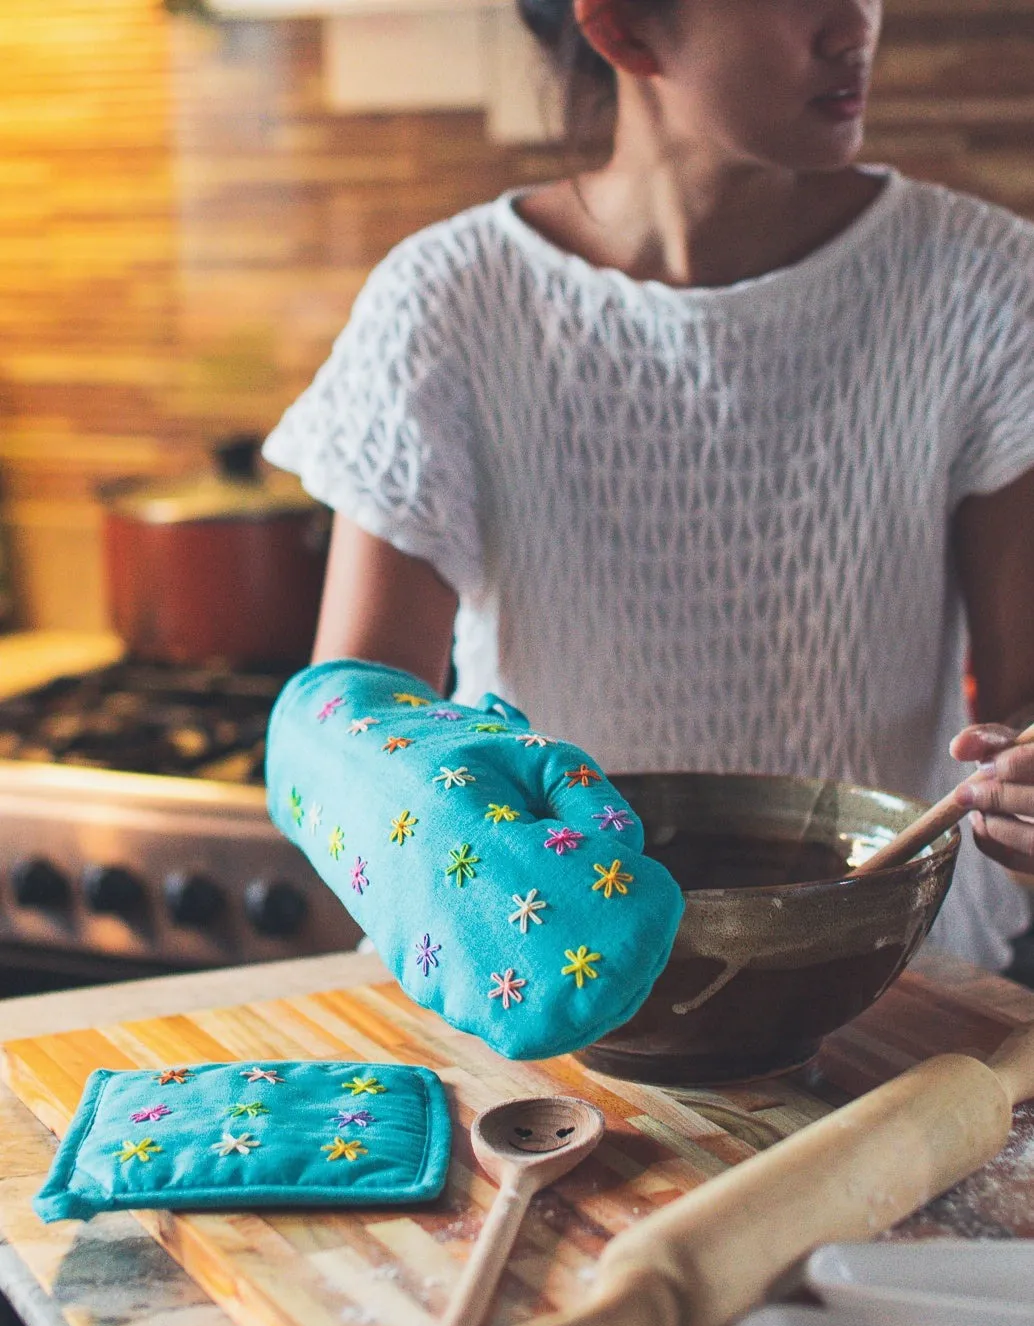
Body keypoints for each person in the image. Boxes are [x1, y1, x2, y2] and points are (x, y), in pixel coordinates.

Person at [263, 0, 1034, 973]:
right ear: (623, 30)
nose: (854, 28)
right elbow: (356, 735)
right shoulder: (452, 305)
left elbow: (1016, 708)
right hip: (558, 985)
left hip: (890, 977)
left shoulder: (983, 288)